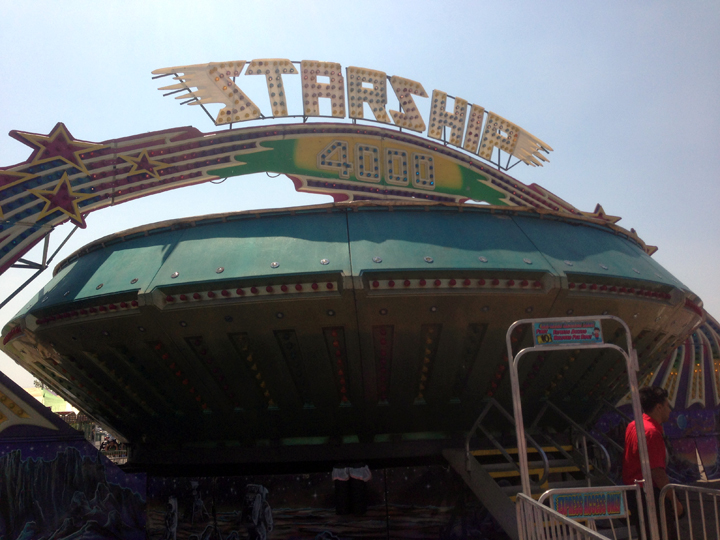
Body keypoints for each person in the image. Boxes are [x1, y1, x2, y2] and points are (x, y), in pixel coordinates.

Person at [623, 386, 683, 539]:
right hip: (650, 494)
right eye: (667, 405)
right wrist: (674, 501)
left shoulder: (633, 425)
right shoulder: (651, 432)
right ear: (658, 407)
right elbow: (657, 472)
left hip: (635, 492)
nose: (669, 410)